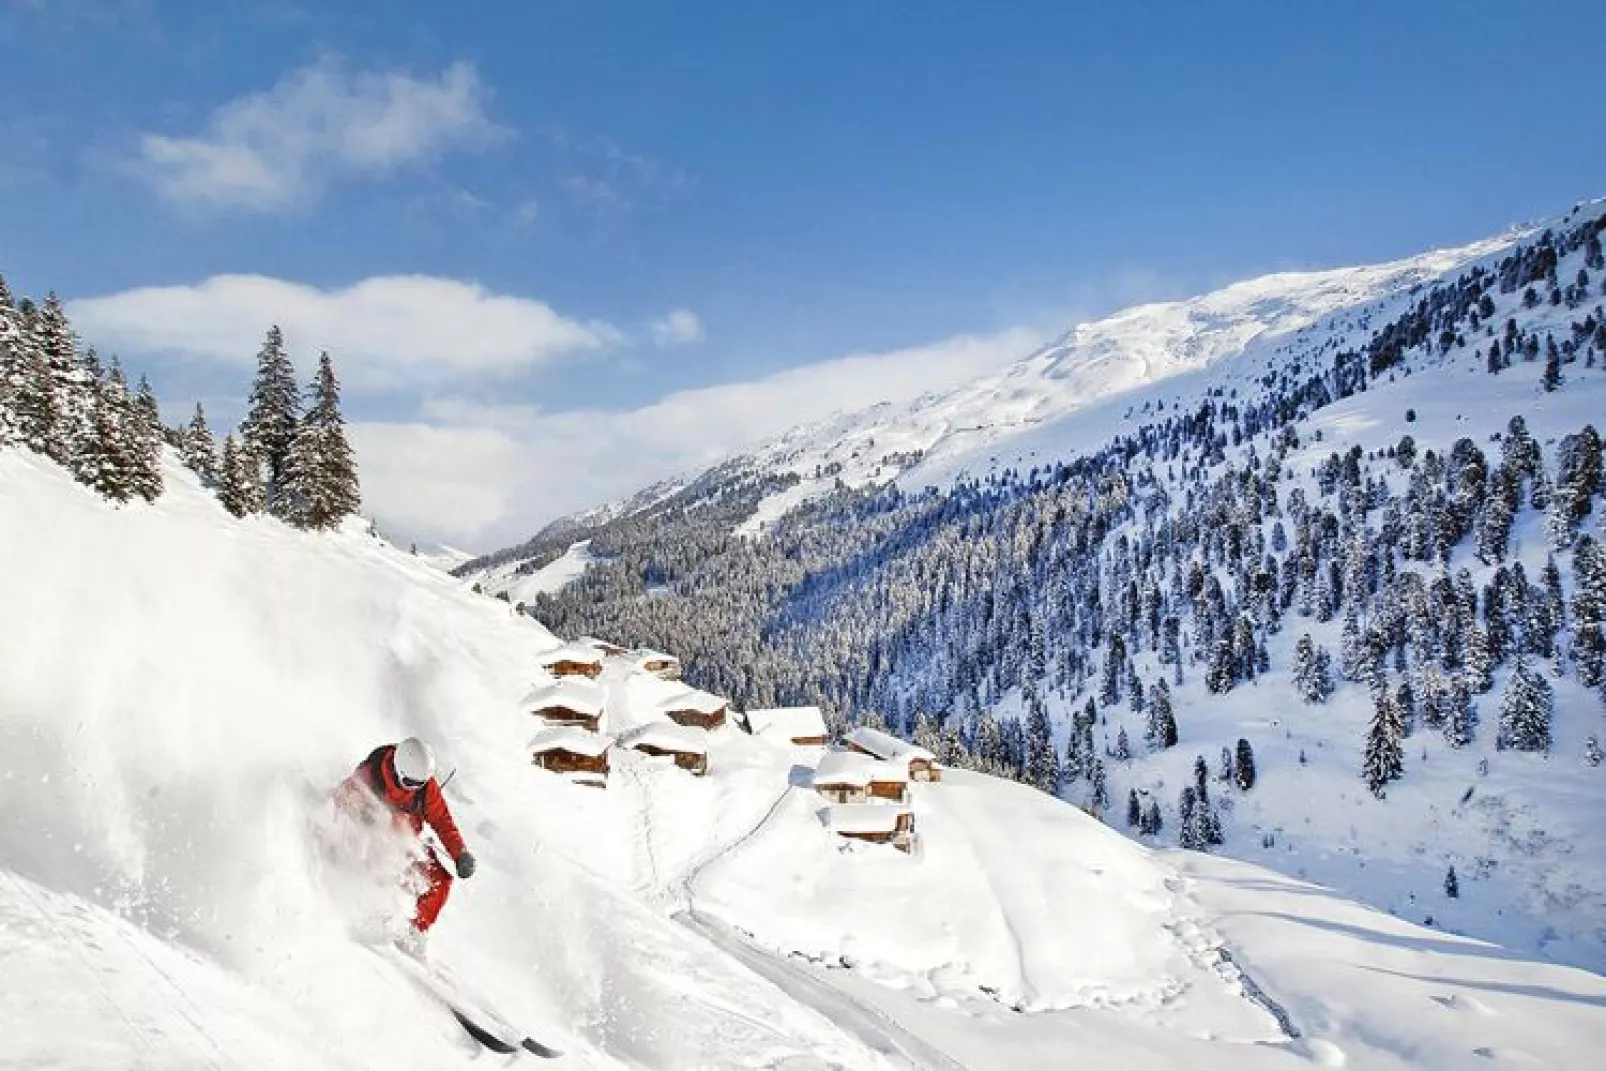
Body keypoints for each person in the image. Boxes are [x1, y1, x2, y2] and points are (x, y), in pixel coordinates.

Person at [336, 736, 476, 942]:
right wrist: (362, 811)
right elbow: (344, 796)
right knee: (382, 868)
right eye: (409, 783)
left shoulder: (425, 789)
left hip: (406, 844)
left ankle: (413, 934)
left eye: (419, 784)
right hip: (371, 843)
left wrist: (460, 853)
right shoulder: (372, 774)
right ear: (397, 770)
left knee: (441, 882)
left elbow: (442, 821)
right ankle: (364, 919)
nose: (414, 789)